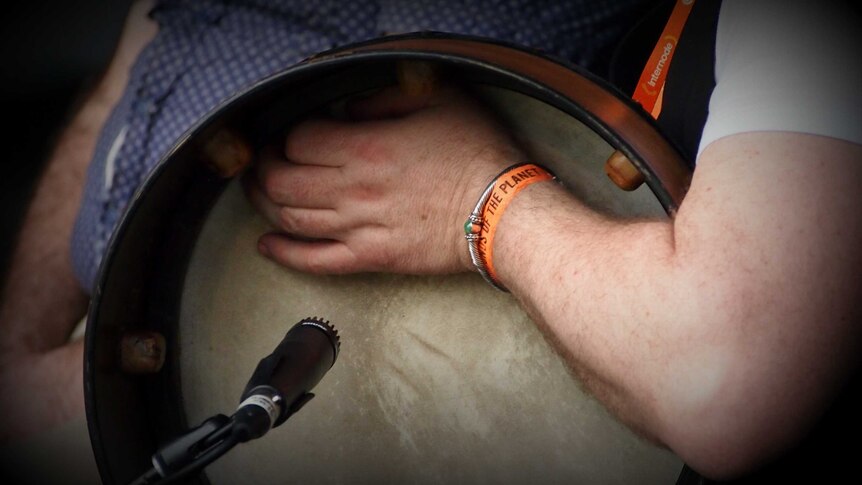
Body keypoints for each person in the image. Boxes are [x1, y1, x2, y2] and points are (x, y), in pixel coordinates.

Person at [1, 0, 860, 482]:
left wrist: (479, 196)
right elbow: (145, 50)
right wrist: (21, 367)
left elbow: (721, 373)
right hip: (104, 371)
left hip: (303, 412)